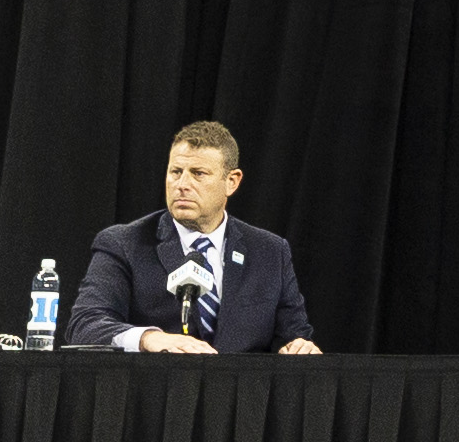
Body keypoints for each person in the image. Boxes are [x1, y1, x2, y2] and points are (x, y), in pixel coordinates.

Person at [67, 121, 320, 355]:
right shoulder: (123, 244)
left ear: (232, 182)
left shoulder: (270, 252)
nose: (182, 184)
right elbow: (84, 325)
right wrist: (148, 338)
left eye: (198, 173)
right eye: (176, 171)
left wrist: (299, 347)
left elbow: (294, 336)